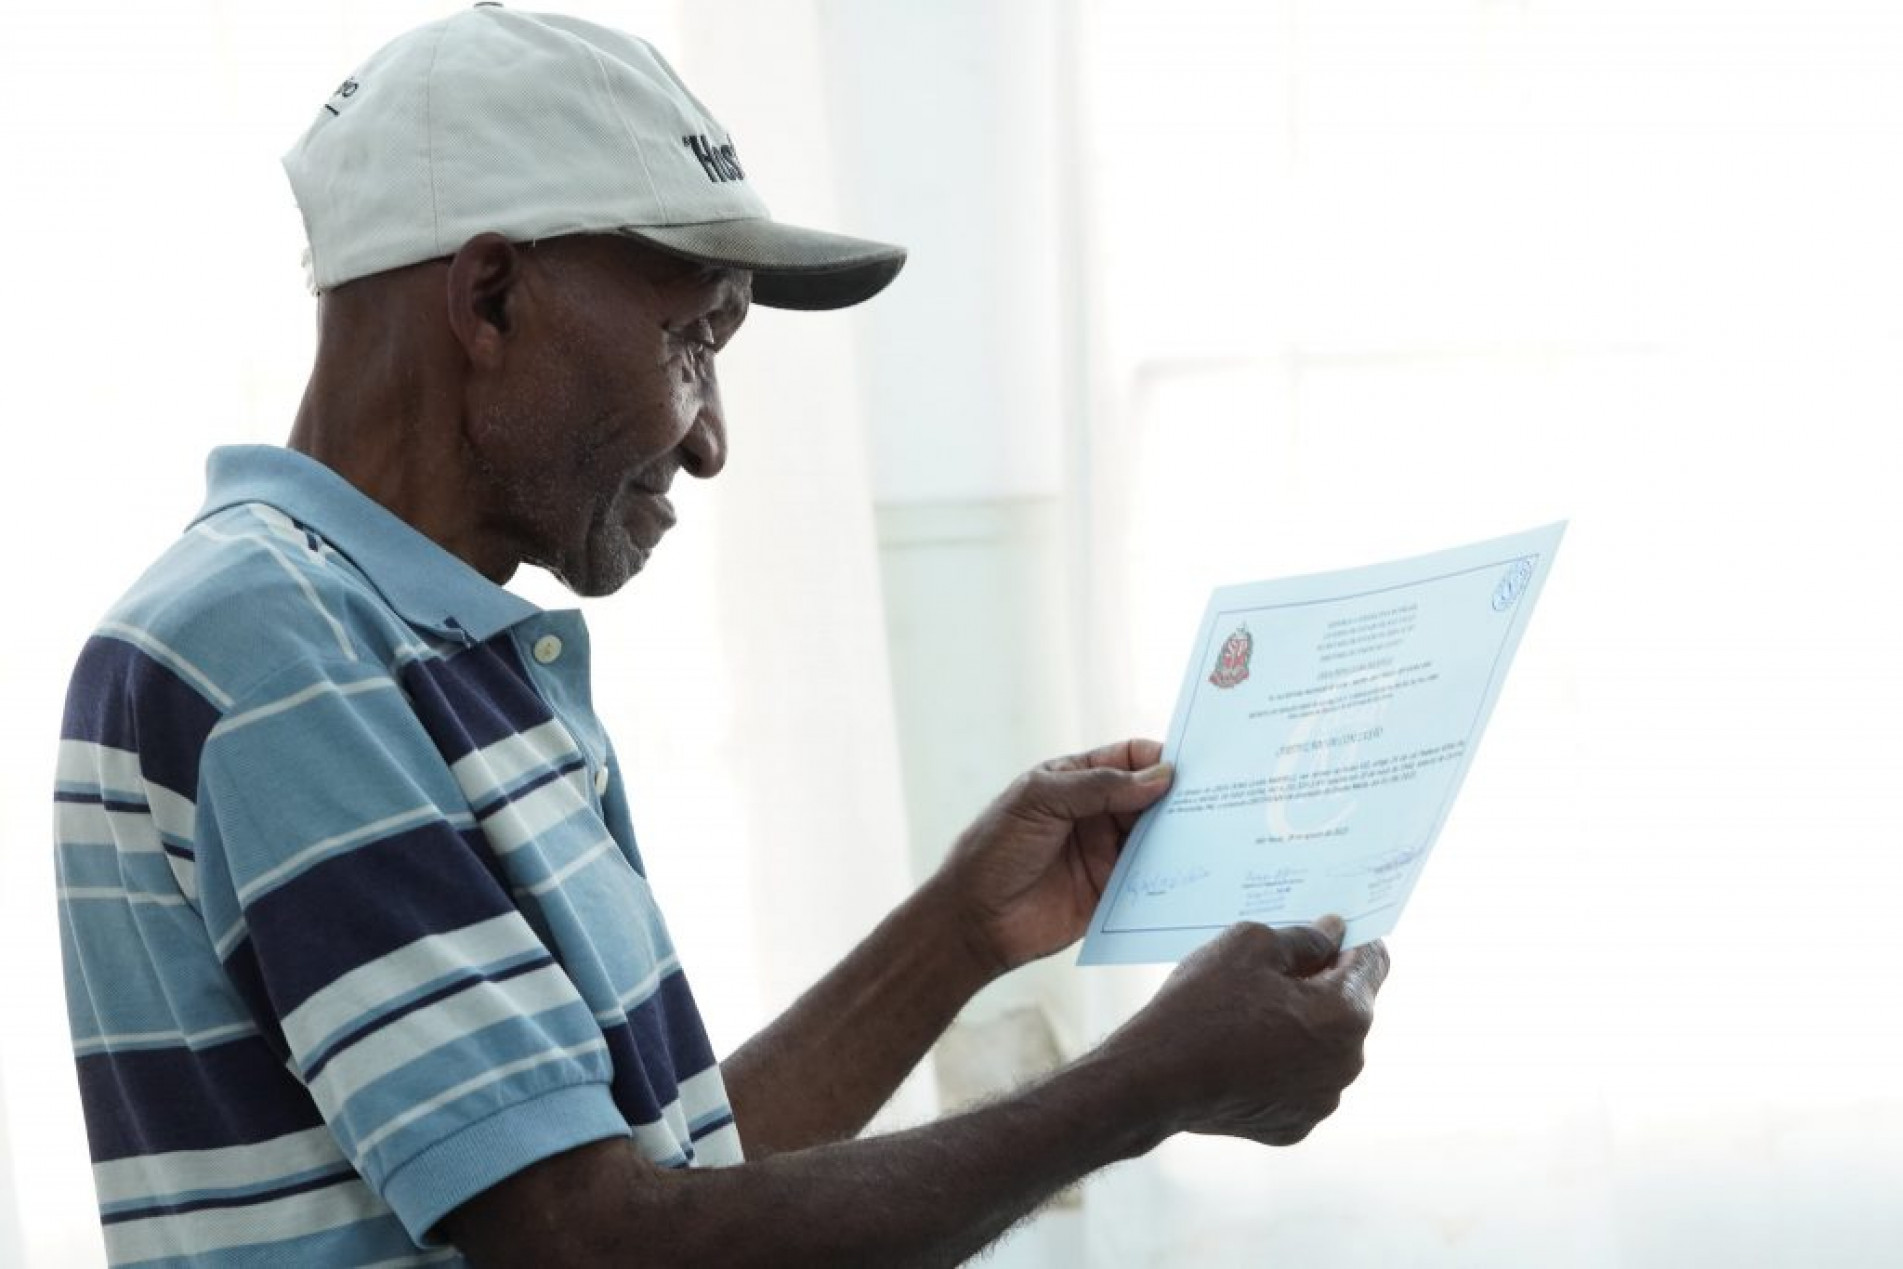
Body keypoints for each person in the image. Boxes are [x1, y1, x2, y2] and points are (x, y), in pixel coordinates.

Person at [53, 6, 1389, 1265]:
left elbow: (645, 1180)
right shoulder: (273, 647)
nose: (710, 438)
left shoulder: (411, 646)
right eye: (693, 338)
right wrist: (1147, 1084)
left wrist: (958, 932)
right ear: (490, 298)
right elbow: (597, 1245)